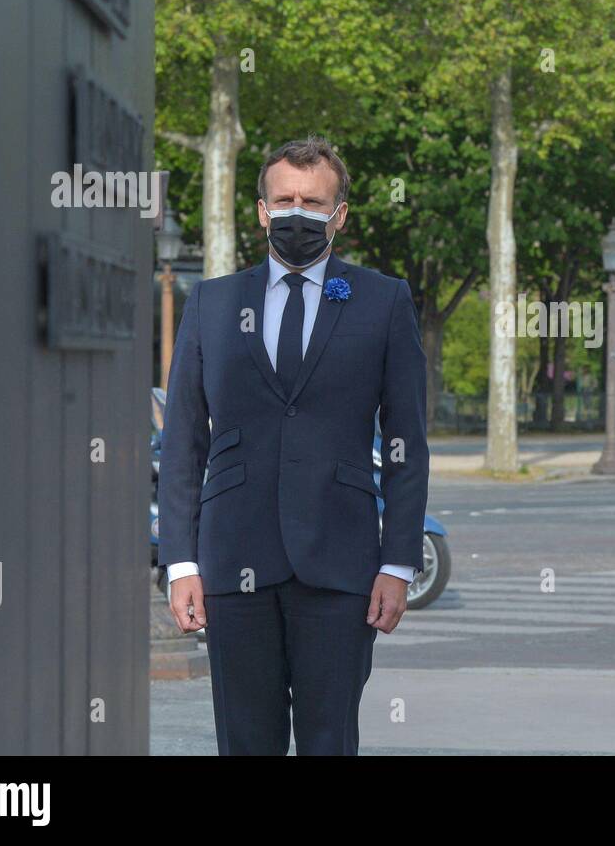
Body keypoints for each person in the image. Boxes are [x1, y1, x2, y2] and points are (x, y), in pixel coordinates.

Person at [158, 136, 428, 755]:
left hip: (341, 568)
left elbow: (406, 443)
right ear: (260, 210)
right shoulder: (211, 304)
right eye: (284, 200)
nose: (296, 212)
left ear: (340, 215)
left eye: (313, 201)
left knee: (329, 742)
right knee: (245, 742)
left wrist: (397, 563)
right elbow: (182, 444)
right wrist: (181, 562)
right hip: (232, 562)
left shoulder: (383, 301)